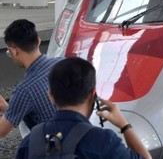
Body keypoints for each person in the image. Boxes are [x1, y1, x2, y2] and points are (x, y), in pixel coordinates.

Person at [15, 57, 151, 159]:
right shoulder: (104, 142)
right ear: (92, 94)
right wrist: (124, 126)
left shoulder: (30, 142)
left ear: (51, 95)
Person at [0, 19, 62, 139]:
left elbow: (2, 131)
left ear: (14, 50)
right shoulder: (63, 63)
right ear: (38, 41)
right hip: (80, 140)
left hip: (54, 148)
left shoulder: (25, 89)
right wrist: (9, 107)